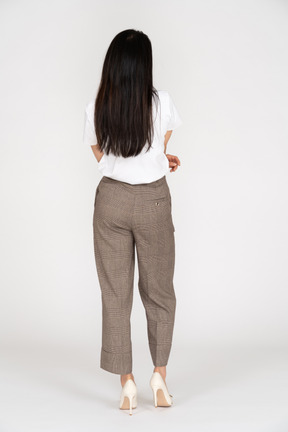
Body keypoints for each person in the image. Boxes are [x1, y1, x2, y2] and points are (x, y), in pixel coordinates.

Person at [83, 29, 183, 415]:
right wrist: (160, 160)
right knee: (159, 292)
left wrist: (115, 165)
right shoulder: (161, 102)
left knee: (115, 294)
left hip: (110, 200)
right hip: (154, 200)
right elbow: (160, 143)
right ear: (145, 65)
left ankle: (126, 383)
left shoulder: (97, 105)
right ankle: (159, 376)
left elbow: (100, 150)